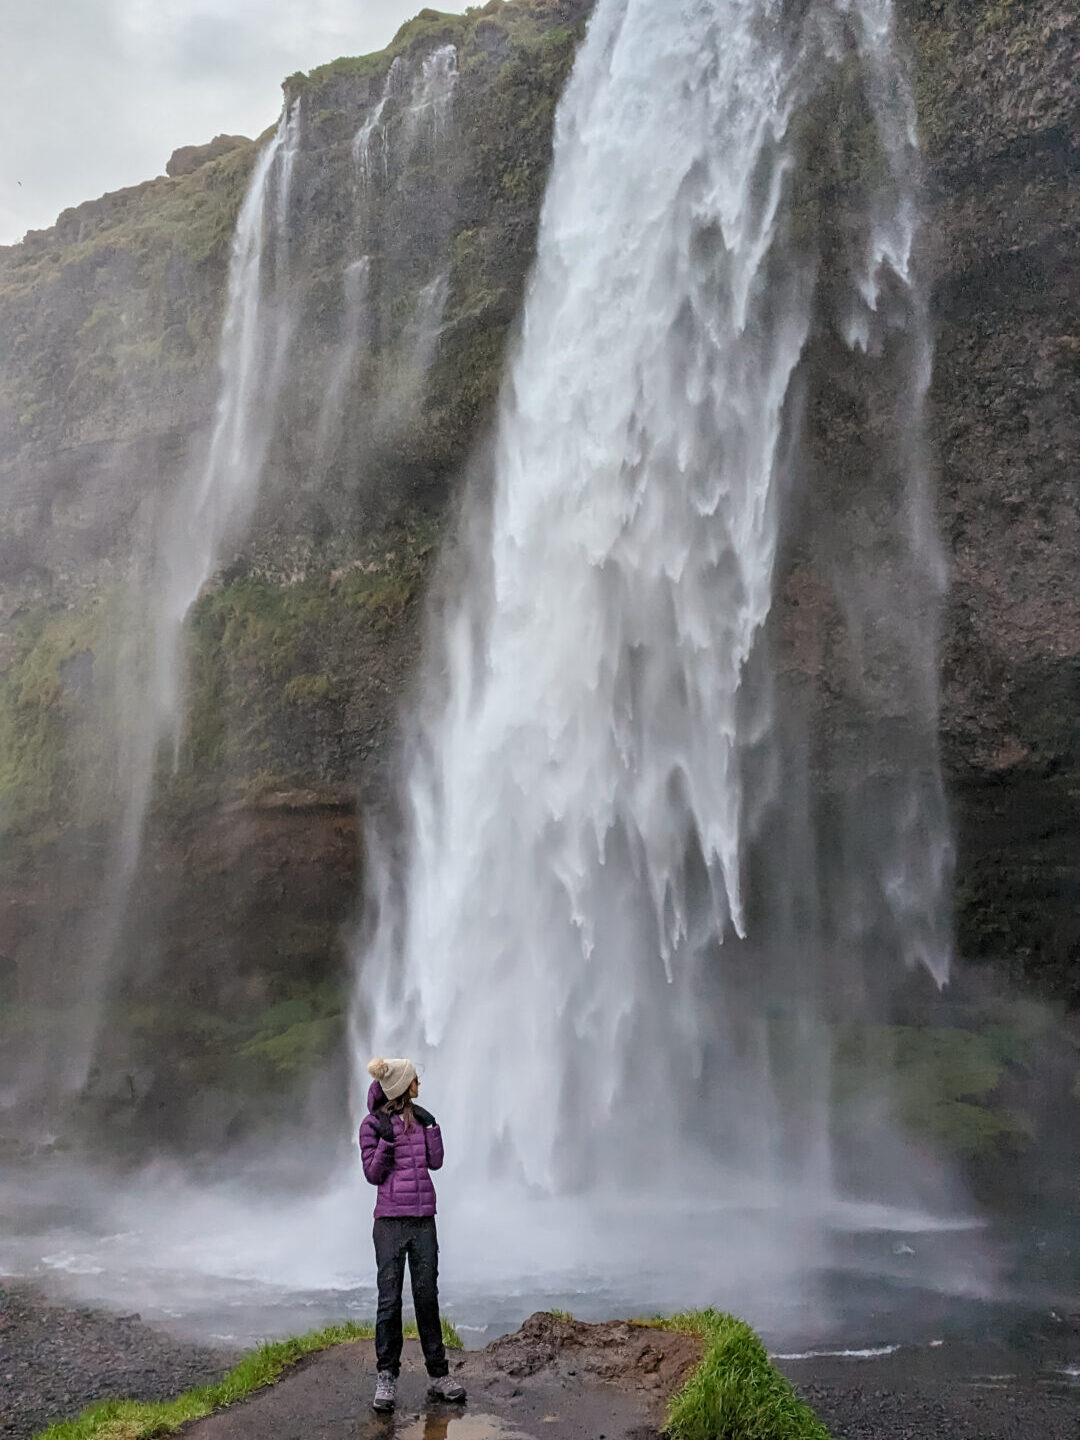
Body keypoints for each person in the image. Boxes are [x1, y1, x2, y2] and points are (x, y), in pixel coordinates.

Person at [359, 1056, 466, 1414]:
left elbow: (435, 1162)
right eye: (416, 1080)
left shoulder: (422, 1122)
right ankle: (386, 1376)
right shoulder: (372, 1126)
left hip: (423, 1220)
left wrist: (433, 1127)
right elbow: (373, 1174)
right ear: (404, 1087)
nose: (420, 1084)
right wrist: (387, 1142)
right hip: (389, 1222)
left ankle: (438, 1374)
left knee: (426, 1297)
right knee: (389, 1301)